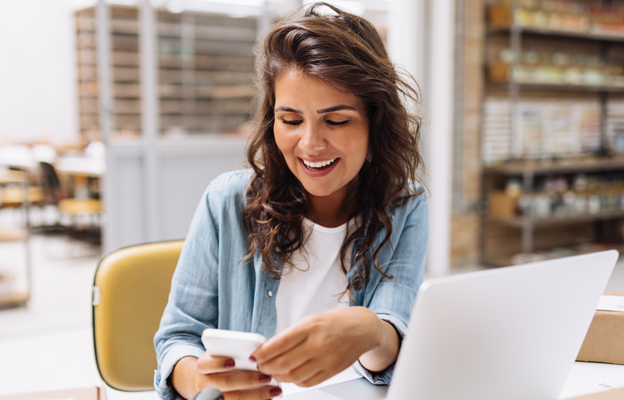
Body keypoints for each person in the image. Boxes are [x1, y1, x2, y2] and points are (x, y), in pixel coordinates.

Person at [153, 3, 428, 400]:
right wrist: (202, 381)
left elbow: (391, 336)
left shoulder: (405, 204)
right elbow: (178, 337)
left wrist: (370, 330)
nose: (311, 144)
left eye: (336, 120)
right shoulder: (226, 201)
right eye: (292, 120)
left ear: (375, 122)